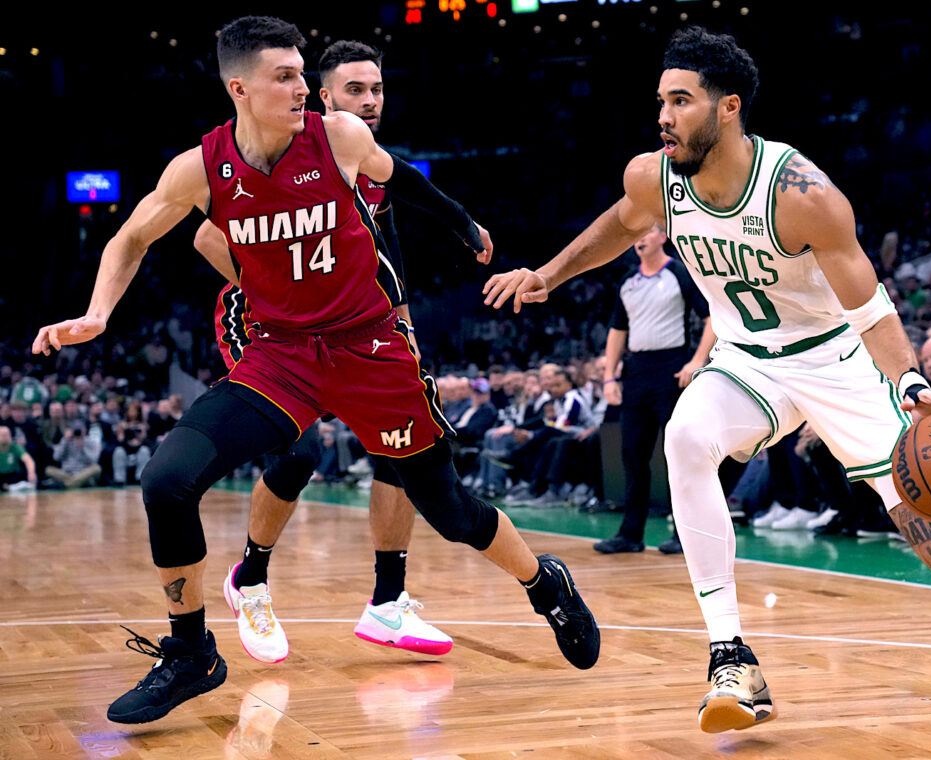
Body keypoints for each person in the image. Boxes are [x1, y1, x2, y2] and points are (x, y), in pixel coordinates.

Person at [483, 26, 931, 734]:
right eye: (661, 101)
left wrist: (913, 386)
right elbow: (621, 223)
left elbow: (871, 307)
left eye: (681, 101)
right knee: (686, 439)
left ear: (728, 107)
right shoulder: (654, 176)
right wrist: (547, 275)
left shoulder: (802, 194)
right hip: (746, 360)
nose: (663, 117)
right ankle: (730, 655)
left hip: (835, 361)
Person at [32, 16, 598, 725]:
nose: (304, 86)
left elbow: (409, 183)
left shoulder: (338, 139)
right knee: (165, 480)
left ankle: (546, 583)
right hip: (283, 356)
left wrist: (465, 226)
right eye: (285, 76)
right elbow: (130, 236)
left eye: (303, 73)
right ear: (239, 88)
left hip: (371, 349)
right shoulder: (201, 168)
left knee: (450, 512)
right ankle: (190, 654)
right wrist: (97, 314)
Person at [194, 39, 451, 664]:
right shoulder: (283, 142)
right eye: (355, 91)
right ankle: (249, 579)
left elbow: (385, 256)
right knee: (301, 449)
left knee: (403, 446)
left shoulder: (369, 164)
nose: (370, 102)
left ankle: (387, 601)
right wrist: (274, 282)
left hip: (358, 329)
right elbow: (206, 233)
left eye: (378, 90)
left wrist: (402, 327)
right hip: (266, 324)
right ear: (324, 98)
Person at [595, 223, 713, 555]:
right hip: (636, 372)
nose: (639, 239)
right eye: (635, 235)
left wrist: (697, 360)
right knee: (632, 454)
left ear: (663, 236)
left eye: (646, 232)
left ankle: (684, 534)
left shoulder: (679, 272)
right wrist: (608, 377)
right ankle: (630, 534)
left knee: (677, 453)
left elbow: (711, 318)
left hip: (671, 369)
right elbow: (617, 331)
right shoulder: (628, 282)